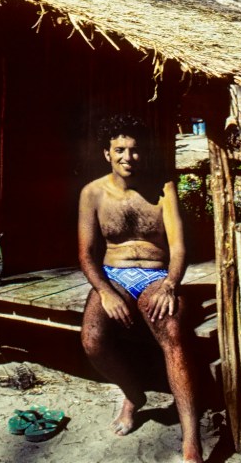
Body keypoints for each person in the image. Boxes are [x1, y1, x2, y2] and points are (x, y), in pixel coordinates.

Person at [78, 114, 203, 463]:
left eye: (134, 150)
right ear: (107, 153)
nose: (127, 158)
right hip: (113, 275)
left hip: (154, 276)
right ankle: (134, 395)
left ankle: (191, 441)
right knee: (92, 339)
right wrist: (104, 291)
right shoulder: (92, 194)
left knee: (173, 335)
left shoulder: (164, 189)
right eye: (120, 150)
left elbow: (179, 248)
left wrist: (170, 284)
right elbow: (86, 255)